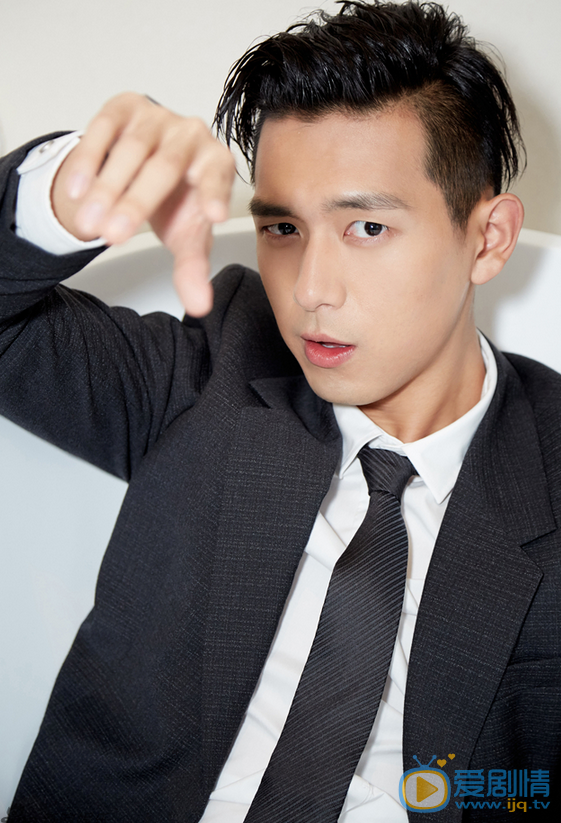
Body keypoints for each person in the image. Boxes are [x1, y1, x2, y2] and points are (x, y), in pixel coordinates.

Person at [0, 1, 558, 820]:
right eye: (284, 228)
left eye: (367, 226)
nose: (310, 290)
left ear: (487, 238)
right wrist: (68, 191)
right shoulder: (211, 370)